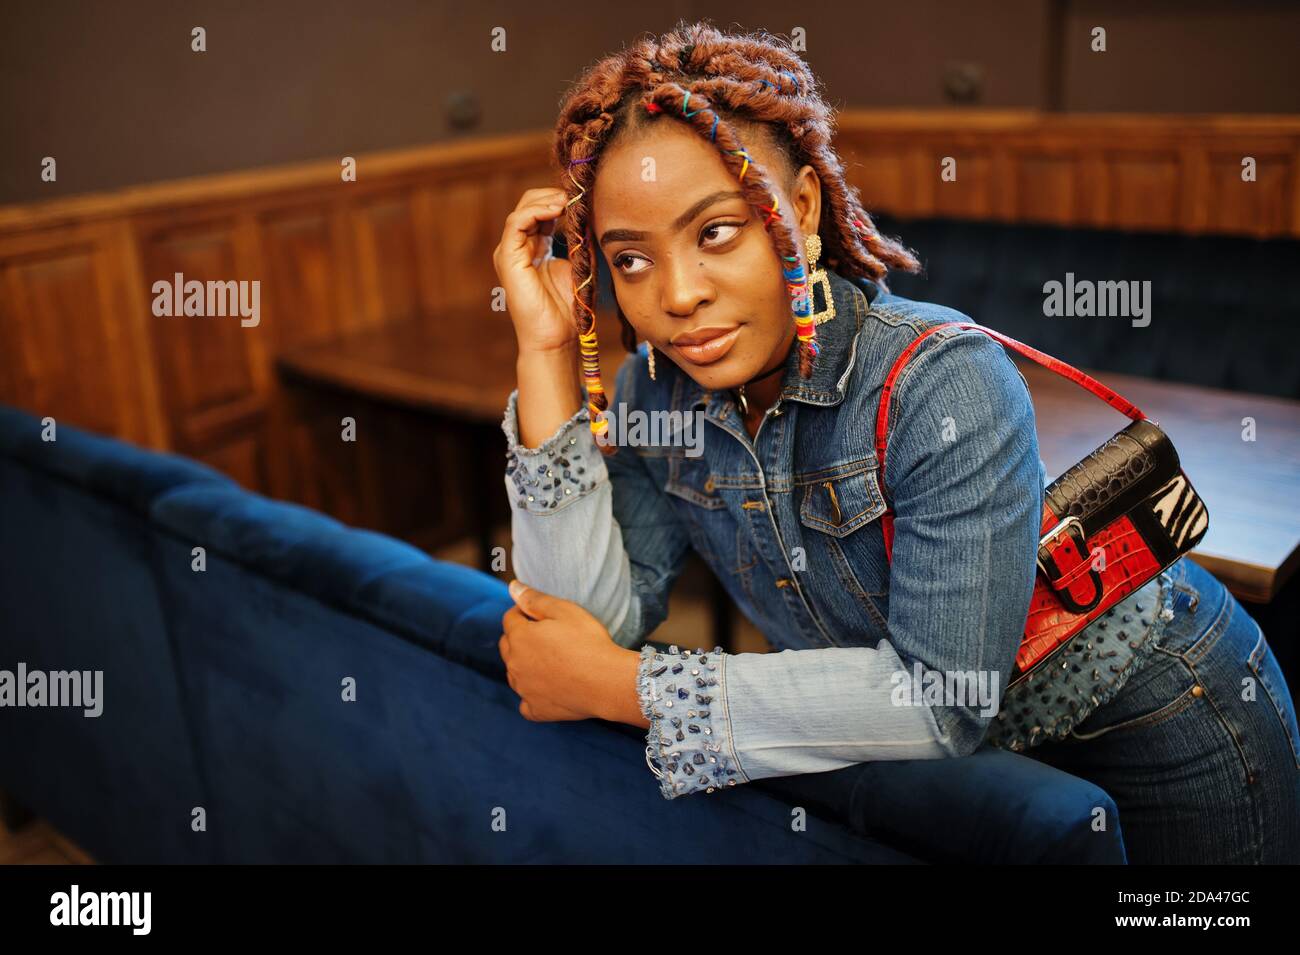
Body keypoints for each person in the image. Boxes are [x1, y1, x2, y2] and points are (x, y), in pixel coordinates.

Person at [491, 20, 1300, 864]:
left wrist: (630, 690)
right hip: (971, 778)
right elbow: (577, 631)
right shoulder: (657, 392)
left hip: (1160, 718)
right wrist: (544, 349)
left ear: (799, 208)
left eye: (716, 232)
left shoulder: (940, 379)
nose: (678, 293)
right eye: (629, 260)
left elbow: (944, 698)